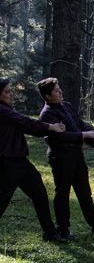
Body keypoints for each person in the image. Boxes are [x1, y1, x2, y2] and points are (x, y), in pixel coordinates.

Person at [37, 77, 94, 241]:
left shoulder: (66, 106)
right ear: (47, 96)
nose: (61, 92)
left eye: (60, 89)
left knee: (85, 194)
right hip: (60, 158)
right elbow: (61, 137)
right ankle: (63, 230)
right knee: (63, 194)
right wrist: (84, 134)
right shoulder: (47, 114)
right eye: (57, 91)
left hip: (76, 157)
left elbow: (80, 125)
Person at [0, 78, 66, 241]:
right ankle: (50, 233)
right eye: (7, 92)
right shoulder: (2, 111)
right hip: (6, 164)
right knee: (1, 201)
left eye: (11, 91)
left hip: (21, 162)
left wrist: (48, 130)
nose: (11, 95)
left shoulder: (7, 110)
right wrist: (50, 127)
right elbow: (25, 121)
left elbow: (27, 127)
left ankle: (50, 233)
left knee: (39, 194)